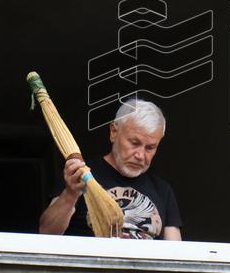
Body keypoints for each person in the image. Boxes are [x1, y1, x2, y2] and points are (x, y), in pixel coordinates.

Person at [39, 98, 182, 240]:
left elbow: (176, 254)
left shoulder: (162, 190)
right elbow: (47, 232)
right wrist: (70, 194)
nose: (140, 155)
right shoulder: (79, 174)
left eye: (150, 147)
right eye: (134, 143)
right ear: (114, 132)